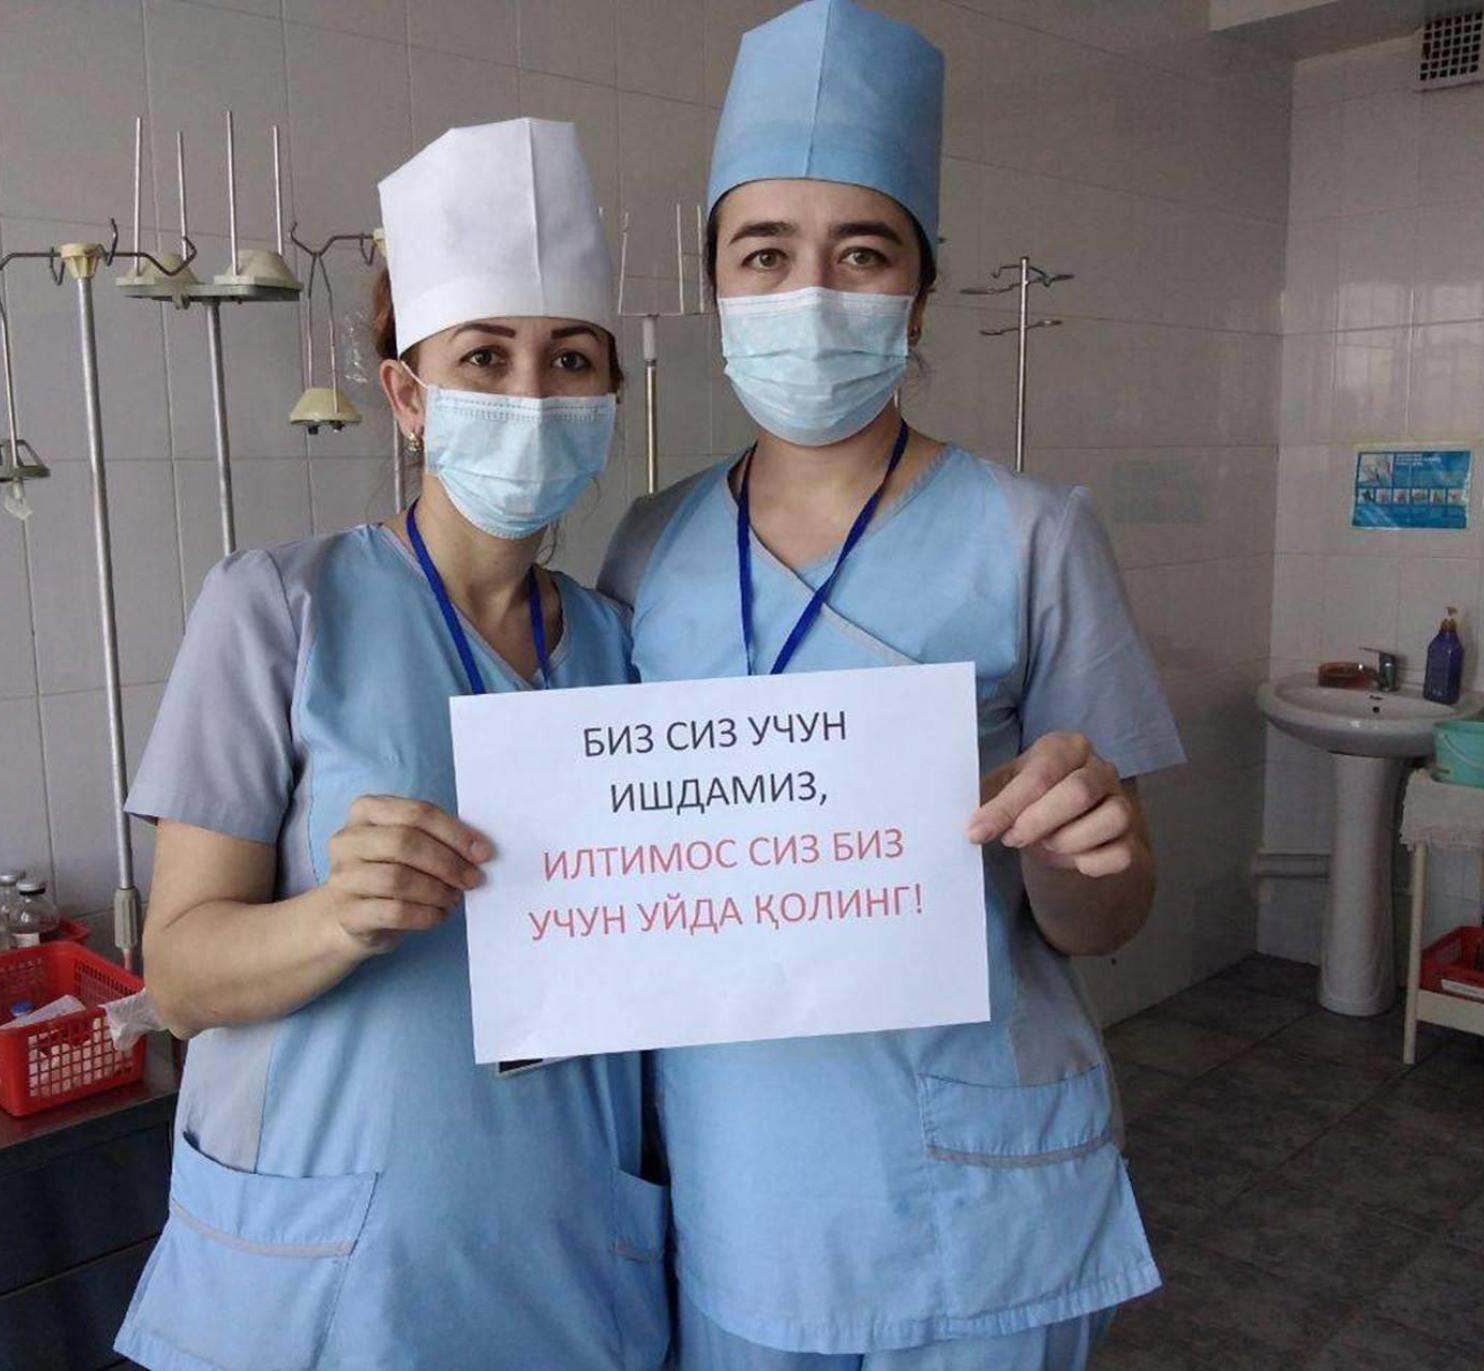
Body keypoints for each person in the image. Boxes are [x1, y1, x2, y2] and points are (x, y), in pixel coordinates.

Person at [597, 4, 1186, 1368]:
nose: (811, 292)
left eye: (861, 251)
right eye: (765, 252)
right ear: (717, 290)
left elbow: (1104, 917)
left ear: (918, 290)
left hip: (977, 1181)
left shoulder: (1032, 532)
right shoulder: (647, 549)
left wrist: (1078, 843)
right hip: (743, 1174)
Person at [115, 118, 669, 1371]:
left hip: (570, 1250)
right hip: (329, 1277)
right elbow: (182, 978)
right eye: (486, 355)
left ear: (606, 399)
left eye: (571, 359)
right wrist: (338, 917)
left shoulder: (623, 646)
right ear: (409, 397)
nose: (531, 394)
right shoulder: (278, 609)